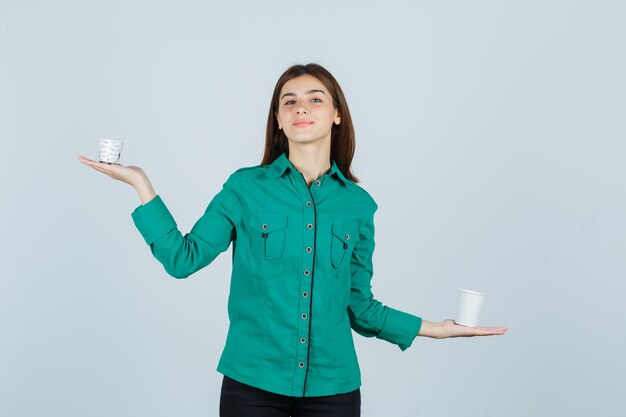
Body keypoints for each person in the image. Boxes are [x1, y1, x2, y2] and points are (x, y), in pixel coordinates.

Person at [78, 62, 507, 417]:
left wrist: (437, 330)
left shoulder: (358, 206)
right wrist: (140, 184)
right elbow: (182, 258)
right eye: (290, 102)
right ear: (279, 120)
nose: (302, 107)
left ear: (337, 114)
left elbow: (360, 306)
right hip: (251, 388)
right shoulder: (244, 189)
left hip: (334, 392)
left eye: (315, 99)